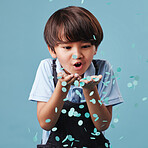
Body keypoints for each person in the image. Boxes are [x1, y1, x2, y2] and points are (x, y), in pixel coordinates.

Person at [28, 6, 123, 148]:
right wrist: (61, 88)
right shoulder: (47, 68)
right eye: (67, 47)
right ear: (52, 50)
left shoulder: (103, 69)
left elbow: (103, 125)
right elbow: (45, 123)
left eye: (85, 46)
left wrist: (90, 90)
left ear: (95, 48)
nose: (77, 54)